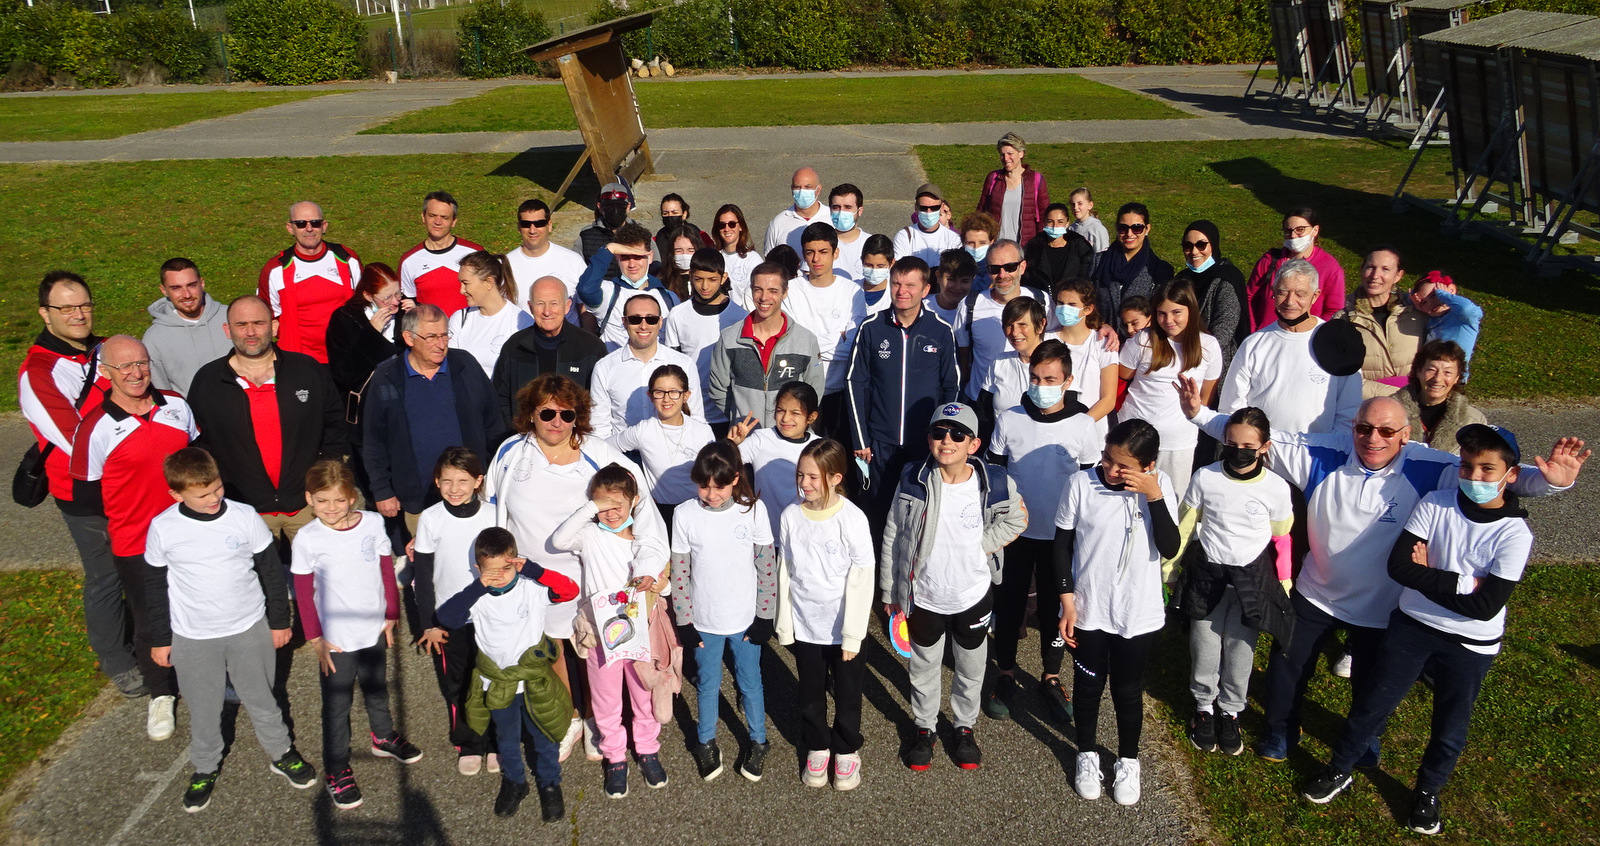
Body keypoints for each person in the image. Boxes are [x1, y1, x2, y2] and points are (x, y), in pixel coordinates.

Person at [1176, 383, 1587, 765]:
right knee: (1289, 667)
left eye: (1387, 431)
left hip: (1383, 605)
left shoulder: (1432, 465)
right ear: (1352, 428)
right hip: (1317, 591)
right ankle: (1280, 731)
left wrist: (1551, 484)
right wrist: (1198, 415)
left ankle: (1367, 737)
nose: (1374, 439)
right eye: (1364, 428)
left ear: (1406, 435)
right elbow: (1252, 436)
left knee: (1372, 683)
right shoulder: (1324, 453)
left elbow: (1490, 474)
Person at [1298, 424, 1534, 837]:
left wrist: (1430, 576)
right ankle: (1340, 768)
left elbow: (1485, 606)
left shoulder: (1515, 533)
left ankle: (1427, 792)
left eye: (1486, 469)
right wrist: (1463, 582)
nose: (1473, 477)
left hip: (1470, 644)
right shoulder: (1435, 503)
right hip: (1412, 627)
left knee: (1450, 723)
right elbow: (1400, 568)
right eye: (1466, 467)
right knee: (1371, 704)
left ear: (1510, 475)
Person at [485, 374, 669, 754]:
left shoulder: (599, 453)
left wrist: (652, 561)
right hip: (532, 578)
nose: (557, 421)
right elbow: (490, 511)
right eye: (547, 412)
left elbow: (641, 502)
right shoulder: (509, 452)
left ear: (578, 417)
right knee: (552, 648)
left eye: (566, 414)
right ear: (530, 415)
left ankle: (598, 719)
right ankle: (572, 717)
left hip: (592, 578)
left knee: (596, 652)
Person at [143, 447, 314, 813]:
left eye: (217, 488)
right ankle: (205, 767)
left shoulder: (244, 516)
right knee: (204, 709)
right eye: (202, 494)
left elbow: (270, 571)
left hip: (248, 628)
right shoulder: (163, 528)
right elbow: (155, 588)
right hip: (193, 637)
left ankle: (282, 753)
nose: (213, 498)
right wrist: (160, 639)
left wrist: (279, 621)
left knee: (263, 699)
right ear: (176, 494)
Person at [882, 402, 1027, 771]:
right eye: (939, 433)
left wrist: (981, 544)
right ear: (928, 438)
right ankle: (924, 727)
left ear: (973, 445)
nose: (947, 441)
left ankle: (964, 727)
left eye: (958, 434)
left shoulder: (994, 482)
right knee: (924, 666)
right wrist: (889, 591)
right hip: (925, 596)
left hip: (972, 596)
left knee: (971, 667)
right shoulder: (912, 478)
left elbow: (1018, 517)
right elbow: (893, 534)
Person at [71, 334, 196, 740]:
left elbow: (196, 457)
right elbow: (88, 492)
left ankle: (206, 678)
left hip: (191, 534)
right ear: (105, 374)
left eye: (141, 363)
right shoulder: (95, 428)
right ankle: (161, 694)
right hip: (137, 543)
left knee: (198, 609)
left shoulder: (176, 405)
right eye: (124, 367)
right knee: (150, 621)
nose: (136, 373)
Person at [1055, 419, 1180, 806]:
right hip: (1090, 608)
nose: (1110, 470)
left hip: (1136, 612)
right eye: (1108, 458)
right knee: (1088, 685)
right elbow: (1060, 546)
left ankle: (1128, 761)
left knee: (1127, 690)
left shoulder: (1159, 488)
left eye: (1122, 465)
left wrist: (1155, 496)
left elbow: (1171, 546)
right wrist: (1067, 600)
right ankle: (1087, 753)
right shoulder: (1081, 484)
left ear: (1148, 465)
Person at [19, 271, 130, 695]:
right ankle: (116, 659)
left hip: (133, 480)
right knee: (106, 576)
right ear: (46, 314)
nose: (78, 314)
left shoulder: (103, 350)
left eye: (84, 305)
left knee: (145, 565)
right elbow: (76, 440)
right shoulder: (38, 372)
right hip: (86, 492)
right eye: (66, 308)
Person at [290, 459, 419, 810]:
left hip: (374, 627)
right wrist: (316, 639)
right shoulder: (307, 538)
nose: (331, 509)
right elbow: (303, 593)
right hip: (335, 639)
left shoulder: (374, 523)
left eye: (339, 500)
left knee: (377, 688)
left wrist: (392, 614)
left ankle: (383, 735)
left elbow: (384, 569)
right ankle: (337, 767)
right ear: (309, 499)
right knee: (337, 704)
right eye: (322, 501)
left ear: (352, 497)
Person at [984, 341, 1102, 721]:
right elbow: (996, 475)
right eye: (1035, 377)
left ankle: (1051, 675)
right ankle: (1004, 672)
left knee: (1056, 609)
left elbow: (1091, 483)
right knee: (1009, 605)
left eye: (1050, 378)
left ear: (1067, 380)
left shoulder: (1084, 426)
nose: (1041, 384)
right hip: (1016, 534)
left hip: (1060, 539)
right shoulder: (1010, 419)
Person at [1169, 408, 1294, 757]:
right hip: (1208, 578)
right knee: (1204, 645)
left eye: (1248, 446)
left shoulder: (1276, 488)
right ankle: (1204, 708)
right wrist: (1172, 568)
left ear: (1264, 447)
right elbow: (1186, 525)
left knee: (1241, 651)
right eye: (1231, 443)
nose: (1239, 451)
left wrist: (1283, 582)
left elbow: (1282, 539)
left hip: (1250, 584)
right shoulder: (1205, 477)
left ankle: (1231, 710)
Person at [436, 527, 579, 822]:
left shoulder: (531, 588)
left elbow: (569, 590)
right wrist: (477, 587)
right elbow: (447, 618)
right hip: (497, 683)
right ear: (478, 569)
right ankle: (515, 781)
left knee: (544, 738)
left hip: (533, 681)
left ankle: (550, 784)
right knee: (506, 738)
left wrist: (534, 570)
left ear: (516, 562)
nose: (499, 576)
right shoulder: (476, 596)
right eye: (490, 571)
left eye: (506, 567)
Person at [550, 464, 673, 797]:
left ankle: (647, 748)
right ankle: (615, 756)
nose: (611, 512)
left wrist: (657, 581)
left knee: (642, 693)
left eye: (619, 504)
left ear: (634, 502)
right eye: (603, 506)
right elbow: (559, 540)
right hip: (599, 634)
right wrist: (593, 507)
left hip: (639, 632)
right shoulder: (590, 535)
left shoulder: (644, 541)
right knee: (605, 699)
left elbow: (663, 579)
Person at [187, 295, 347, 549]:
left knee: (324, 581)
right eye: (241, 325)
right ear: (227, 330)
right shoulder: (208, 381)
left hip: (308, 505)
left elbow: (335, 428)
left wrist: (324, 484)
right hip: (244, 511)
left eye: (258, 323)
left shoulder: (307, 370)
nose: (250, 332)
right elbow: (199, 446)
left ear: (274, 327)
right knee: (258, 584)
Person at [670, 441, 776, 783]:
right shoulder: (684, 514)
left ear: (735, 478)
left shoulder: (754, 512)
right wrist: (684, 622)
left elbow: (766, 568)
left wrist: (765, 617)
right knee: (706, 683)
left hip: (745, 620)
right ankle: (705, 741)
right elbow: (680, 572)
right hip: (704, 623)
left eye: (719, 486)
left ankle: (759, 740)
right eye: (703, 485)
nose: (711, 494)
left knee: (751, 683)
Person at [776, 438, 874, 791]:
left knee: (848, 691)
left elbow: (863, 575)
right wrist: (784, 621)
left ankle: (846, 748)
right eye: (801, 475)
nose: (805, 483)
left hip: (843, 626)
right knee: (810, 691)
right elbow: (784, 568)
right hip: (806, 624)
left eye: (813, 477)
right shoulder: (790, 515)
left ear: (835, 477)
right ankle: (817, 744)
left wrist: (852, 634)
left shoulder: (851, 518)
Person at [362, 304, 507, 537]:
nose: (441, 344)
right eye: (431, 337)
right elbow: (373, 441)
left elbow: (494, 422)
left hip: (470, 493)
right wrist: (382, 490)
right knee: (427, 566)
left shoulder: (465, 366)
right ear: (408, 338)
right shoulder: (387, 377)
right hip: (417, 499)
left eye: (444, 335)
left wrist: (490, 473)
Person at [846, 256, 960, 518]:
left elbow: (951, 388)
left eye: (910, 285)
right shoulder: (871, 327)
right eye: (896, 283)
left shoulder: (941, 330)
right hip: (879, 444)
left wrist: (941, 438)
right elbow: (855, 382)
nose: (902, 291)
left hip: (923, 444)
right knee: (877, 513)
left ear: (925, 289)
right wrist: (861, 439)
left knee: (919, 515)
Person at [411, 447, 500, 774]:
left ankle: (496, 740)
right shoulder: (431, 518)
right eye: (446, 481)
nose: (454, 488)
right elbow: (422, 574)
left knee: (494, 677)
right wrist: (428, 623)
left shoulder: (493, 515)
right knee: (457, 681)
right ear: (437, 482)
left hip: (491, 615)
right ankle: (469, 741)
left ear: (478, 481)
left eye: (463, 480)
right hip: (450, 618)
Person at [1219, 259, 1361, 435]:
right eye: (1282, 292)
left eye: (1300, 294)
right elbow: (1231, 406)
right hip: (1264, 453)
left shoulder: (1339, 342)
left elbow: (1348, 412)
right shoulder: (1254, 344)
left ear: (1315, 296)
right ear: (1273, 293)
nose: (1290, 301)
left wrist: (1330, 450)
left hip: (1317, 453)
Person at [1117, 279, 1222, 495]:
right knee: (1127, 498)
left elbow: (1205, 398)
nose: (1168, 320)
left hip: (1178, 442)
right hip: (1134, 437)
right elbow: (1122, 374)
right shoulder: (1143, 340)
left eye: (1176, 312)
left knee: (1171, 499)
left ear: (1191, 310)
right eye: (1161, 313)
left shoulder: (1209, 346)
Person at [706, 263, 824, 428]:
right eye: (758, 289)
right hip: (746, 439)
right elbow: (718, 390)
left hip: (788, 440)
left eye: (773, 291)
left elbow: (814, 390)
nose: (764, 297)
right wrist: (738, 417)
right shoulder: (729, 339)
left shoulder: (806, 340)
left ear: (785, 293)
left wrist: (793, 425)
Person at [785, 222, 867, 435]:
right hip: (801, 393)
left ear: (835, 253)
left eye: (823, 252)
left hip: (840, 393)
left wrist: (812, 341)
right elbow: (793, 344)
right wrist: (837, 338)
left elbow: (854, 346)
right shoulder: (791, 290)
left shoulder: (852, 292)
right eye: (810, 252)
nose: (816, 259)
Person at [609, 364, 715, 528]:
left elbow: (714, 474)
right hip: (660, 515)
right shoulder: (643, 430)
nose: (666, 399)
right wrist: (635, 480)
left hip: (697, 511)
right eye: (659, 392)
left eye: (674, 392)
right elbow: (606, 447)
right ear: (650, 396)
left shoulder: (702, 431)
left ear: (685, 395)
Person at [258, 201, 362, 364]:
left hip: (347, 357)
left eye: (315, 223)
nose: (309, 228)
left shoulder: (348, 259)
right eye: (300, 224)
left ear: (324, 226)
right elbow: (266, 316)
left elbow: (364, 304)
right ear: (290, 228)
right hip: (299, 363)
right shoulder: (275, 268)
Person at [493, 276, 607, 423]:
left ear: (567, 306)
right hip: (524, 437)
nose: (547, 311)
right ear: (530, 307)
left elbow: (600, 403)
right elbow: (500, 399)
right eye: (540, 304)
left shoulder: (590, 347)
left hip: (576, 439)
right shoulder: (515, 346)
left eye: (554, 304)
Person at [589, 295, 703, 439]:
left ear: (660, 322)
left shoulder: (684, 364)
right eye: (635, 319)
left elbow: (696, 418)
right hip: (623, 454)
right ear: (624, 322)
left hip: (673, 452)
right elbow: (599, 427)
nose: (643, 326)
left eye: (651, 319)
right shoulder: (604, 367)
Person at [663, 248, 747, 437]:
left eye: (712, 280)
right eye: (699, 279)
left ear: (723, 278)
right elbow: (672, 364)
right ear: (690, 276)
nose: (705, 286)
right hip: (690, 413)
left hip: (728, 414)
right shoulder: (677, 314)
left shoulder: (740, 317)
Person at [727, 381, 822, 539]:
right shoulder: (761, 439)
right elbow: (722, 465)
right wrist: (731, 444)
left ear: (811, 417)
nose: (785, 418)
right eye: (780, 410)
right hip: (764, 534)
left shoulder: (819, 447)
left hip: (805, 536)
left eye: (795, 413)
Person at [963, 241, 1047, 414]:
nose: (1002, 275)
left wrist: (1104, 328)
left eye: (1010, 267)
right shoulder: (970, 306)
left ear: (1022, 267)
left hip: (1034, 405)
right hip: (983, 406)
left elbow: (1067, 333)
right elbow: (963, 357)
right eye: (994, 269)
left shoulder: (1041, 301)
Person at [324, 263, 407, 433]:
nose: (395, 301)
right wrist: (371, 334)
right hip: (367, 408)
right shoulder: (345, 319)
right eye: (387, 298)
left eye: (398, 293)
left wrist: (418, 317)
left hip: (406, 402)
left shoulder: (405, 311)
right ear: (368, 296)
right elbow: (343, 373)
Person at [576, 222, 680, 351]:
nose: (632, 264)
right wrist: (609, 249)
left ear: (650, 256)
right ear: (616, 258)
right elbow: (585, 289)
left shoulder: (669, 298)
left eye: (638, 257)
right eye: (625, 257)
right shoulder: (608, 293)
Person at [1343, 246, 1425, 398]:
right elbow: (1342, 377)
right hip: (1369, 406)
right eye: (1370, 267)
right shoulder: (1343, 317)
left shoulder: (1418, 312)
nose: (1375, 275)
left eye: (1385, 269)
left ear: (1398, 275)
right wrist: (1396, 396)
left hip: (1418, 404)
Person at [1245, 207, 1346, 331]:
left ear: (1315, 230)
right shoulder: (1269, 260)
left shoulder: (1330, 268)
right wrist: (1253, 329)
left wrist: (1315, 333)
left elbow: (1334, 309)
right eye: (1288, 231)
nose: (1293, 235)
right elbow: (1249, 297)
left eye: (1300, 230)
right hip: (1266, 335)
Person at [143, 258, 230, 395]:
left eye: (192, 285)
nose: (187, 295)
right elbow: (164, 395)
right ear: (163, 290)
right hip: (192, 415)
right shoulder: (154, 339)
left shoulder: (232, 318)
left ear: (202, 283)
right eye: (176, 288)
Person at [1172, 221, 1247, 373]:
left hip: (1215, 365)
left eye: (1201, 245)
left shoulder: (1228, 278)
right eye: (1188, 246)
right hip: (1179, 360)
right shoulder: (1182, 278)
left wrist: (1195, 358)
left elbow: (1224, 330)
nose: (1194, 252)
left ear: (1213, 245)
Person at [448, 251, 534, 379]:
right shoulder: (459, 319)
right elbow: (452, 366)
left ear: (489, 282)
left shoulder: (521, 322)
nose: (461, 290)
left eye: (466, 283)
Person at [1051, 278, 1120, 434]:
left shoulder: (1103, 343)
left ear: (1088, 309)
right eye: (1060, 303)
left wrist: (1081, 425)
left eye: (1072, 305)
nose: (1064, 309)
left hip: (1093, 432)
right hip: (1053, 429)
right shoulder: (1045, 340)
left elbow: (1108, 399)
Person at [399, 191, 485, 317]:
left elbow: (492, 295)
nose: (438, 222)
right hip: (430, 334)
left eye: (445, 217)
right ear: (423, 217)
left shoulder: (475, 253)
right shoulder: (409, 261)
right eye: (432, 215)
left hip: (472, 333)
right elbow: (407, 306)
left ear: (454, 221)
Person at [1393, 340, 1486, 454]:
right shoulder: (1389, 412)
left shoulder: (1473, 420)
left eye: (1447, 372)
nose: (1437, 379)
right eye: (1431, 370)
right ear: (1418, 371)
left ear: (1457, 377)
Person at [1095, 202, 1173, 337]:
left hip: (1142, 346)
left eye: (1137, 228)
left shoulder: (1159, 270)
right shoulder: (1098, 262)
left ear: (1147, 229)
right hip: (1103, 343)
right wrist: (1101, 324)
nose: (1129, 234)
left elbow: (1162, 313)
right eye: (1123, 228)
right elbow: (1087, 303)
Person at [504, 198, 587, 322]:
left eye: (539, 223)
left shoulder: (573, 261)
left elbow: (585, 307)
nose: (532, 230)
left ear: (549, 225)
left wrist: (587, 338)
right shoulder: (506, 265)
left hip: (567, 339)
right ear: (519, 227)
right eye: (526, 224)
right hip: (523, 338)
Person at [976, 132, 1049, 245]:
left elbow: (1044, 215)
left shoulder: (1036, 180)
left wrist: (1041, 245)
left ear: (1021, 153)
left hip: (1025, 247)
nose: (1006, 158)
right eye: (1002, 154)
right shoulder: (993, 178)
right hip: (996, 246)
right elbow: (981, 212)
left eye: (1010, 153)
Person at [978, 296, 1047, 416]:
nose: (1015, 332)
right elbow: (984, 412)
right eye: (1009, 325)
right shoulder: (999, 362)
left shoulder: (1057, 362)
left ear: (1041, 325)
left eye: (1022, 324)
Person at [575, 181, 646, 280]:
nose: (615, 211)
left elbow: (655, 266)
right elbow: (575, 271)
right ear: (600, 207)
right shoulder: (586, 235)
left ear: (628, 206)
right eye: (609, 207)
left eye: (620, 206)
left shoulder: (642, 234)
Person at [1410, 270, 1483, 367]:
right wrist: (1417, 306)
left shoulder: (1462, 317)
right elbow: (1406, 298)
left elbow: (1466, 308)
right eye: (1424, 302)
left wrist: (1443, 295)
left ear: (1451, 290)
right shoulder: (1432, 318)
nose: (1431, 303)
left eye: (1434, 295)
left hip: (1453, 377)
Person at [1021, 203, 1095, 294]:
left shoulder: (1080, 249)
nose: (1055, 226)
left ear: (1067, 223)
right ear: (1044, 223)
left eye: (1060, 222)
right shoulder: (1033, 249)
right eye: (1050, 222)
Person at [893, 183, 962, 267]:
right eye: (923, 208)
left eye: (934, 207)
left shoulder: (953, 239)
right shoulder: (904, 237)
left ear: (942, 207)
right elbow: (900, 271)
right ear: (916, 208)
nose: (929, 212)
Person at [764, 167, 827, 254]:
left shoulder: (832, 218)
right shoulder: (778, 223)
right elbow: (770, 261)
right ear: (792, 189)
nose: (802, 191)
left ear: (818, 189)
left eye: (808, 187)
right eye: (797, 187)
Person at [713, 204, 763, 310]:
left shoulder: (752, 259)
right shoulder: (713, 258)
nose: (727, 229)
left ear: (740, 226)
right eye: (722, 225)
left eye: (732, 224)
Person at [828, 183, 873, 283]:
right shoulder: (821, 243)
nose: (841, 212)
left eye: (848, 207)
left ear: (859, 211)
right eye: (836, 207)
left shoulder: (871, 243)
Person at [923, 249, 976, 333]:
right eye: (951, 280)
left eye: (965, 281)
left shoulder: (978, 312)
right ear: (938, 277)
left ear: (973, 279)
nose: (958, 287)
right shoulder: (922, 310)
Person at [654, 193, 711, 267]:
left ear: (684, 214)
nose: (670, 216)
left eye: (674, 213)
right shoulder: (659, 238)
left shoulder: (698, 235)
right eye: (665, 213)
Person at [657, 225, 701, 303]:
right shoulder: (661, 282)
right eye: (678, 250)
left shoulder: (706, 280)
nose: (684, 255)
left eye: (690, 250)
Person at [959, 212, 998, 294]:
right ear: (963, 242)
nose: (976, 247)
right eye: (970, 243)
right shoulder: (954, 264)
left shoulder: (997, 267)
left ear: (991, 241)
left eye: (982, 243)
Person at [857, 234, 895, 317]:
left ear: (891, 263)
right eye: (869, 265)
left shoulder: (896, 293)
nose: (874, 270)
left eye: (880, 266)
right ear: (862, 261)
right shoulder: (849, 290)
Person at [1067, 187, 1110, 256]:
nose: (1075, 207)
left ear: (1090, 205)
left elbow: (1102, 256)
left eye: (1080, 203)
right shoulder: (1071, 228)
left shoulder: (1097, 229)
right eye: (1073, 204)